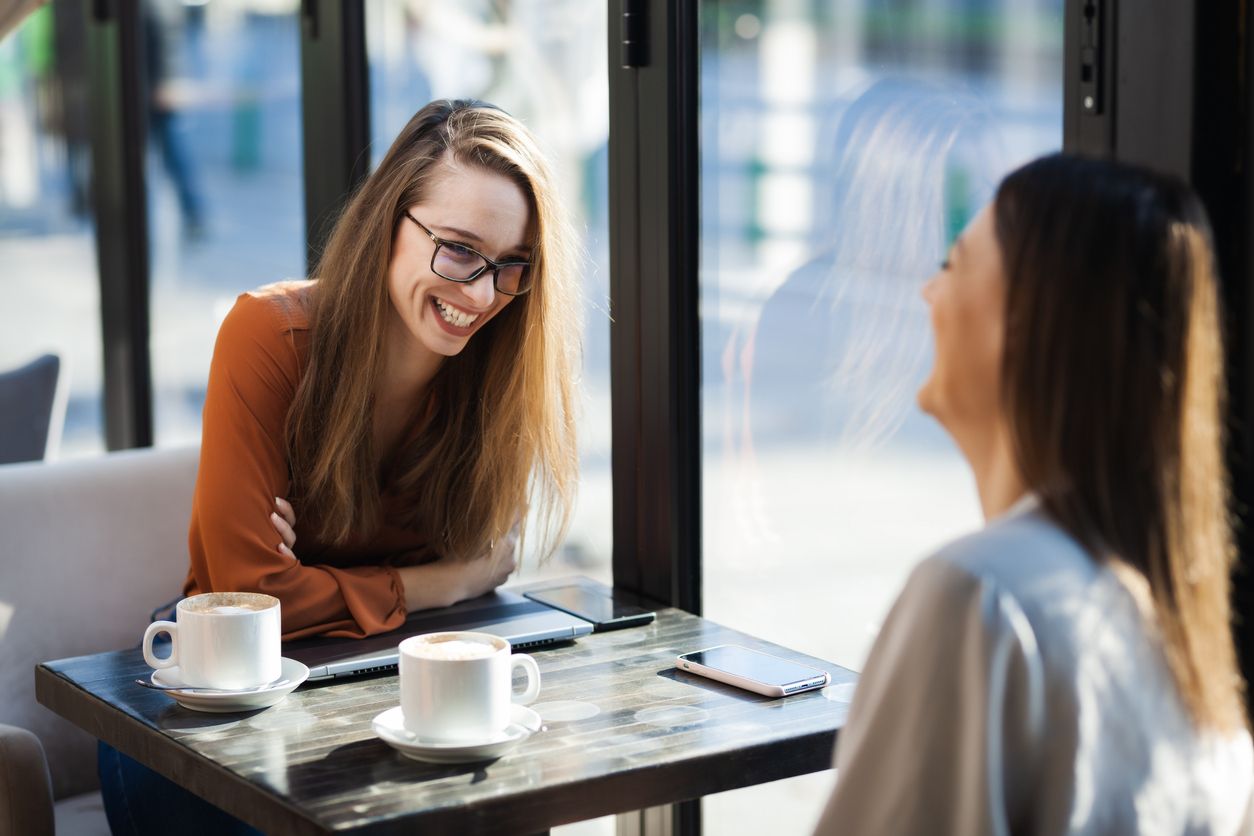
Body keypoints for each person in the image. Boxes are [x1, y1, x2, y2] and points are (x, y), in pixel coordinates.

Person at [99, 98, 581, 835]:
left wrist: (314, 581)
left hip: (396, 683)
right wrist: (440, 583)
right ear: (388, 222)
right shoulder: (271, 336)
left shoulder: (499, 375)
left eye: (512, 265)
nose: (483, 294)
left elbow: (491, 558)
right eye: (458, 249)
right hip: (217, 695)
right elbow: (252, 595)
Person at [813, 153, 1253, 834]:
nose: (927, 293)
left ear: (1021, 321)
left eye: (952, 264)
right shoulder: (1183, 636)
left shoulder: (983, 598)